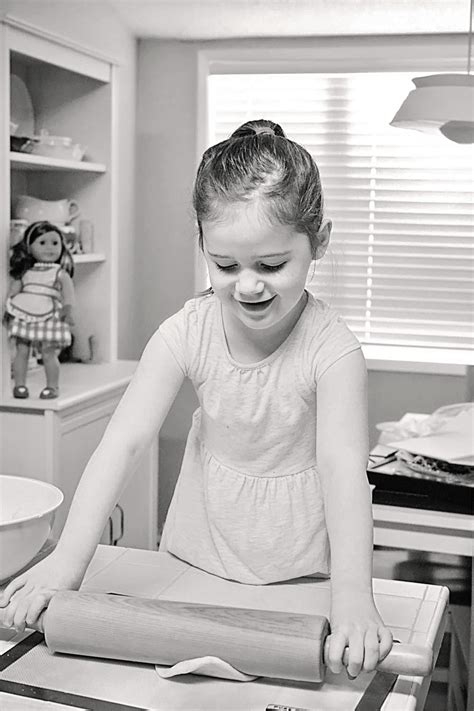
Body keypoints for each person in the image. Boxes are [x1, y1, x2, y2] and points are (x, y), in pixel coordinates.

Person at [0, 120, 393, 678]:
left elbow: (343, 469)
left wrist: (354, 596)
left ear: (319, 242)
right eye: (226, 265)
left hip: (303, 576)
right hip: (193, 559)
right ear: (202, 245)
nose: (248, 286)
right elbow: (124, 442)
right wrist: (67, 559)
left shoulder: (332, 350)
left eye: (272, 265)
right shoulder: (188, 330)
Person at [4, 220, 75, 399]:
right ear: (29, 247)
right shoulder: (26, 271)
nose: (49, 248)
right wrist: (6, 304)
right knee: (22, 350)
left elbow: (69, 292)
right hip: (24, 309)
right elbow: (14, 289)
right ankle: (20, 385)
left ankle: (52, 386)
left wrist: (68, 309)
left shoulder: (60, 272)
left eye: (55, 243)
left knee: (48, 352)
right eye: (42, 243)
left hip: (48, 312)